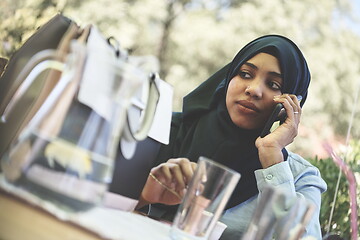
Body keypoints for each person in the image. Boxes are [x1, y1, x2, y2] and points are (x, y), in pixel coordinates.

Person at [136, 35, 327, 239]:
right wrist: (144, 195)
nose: (253, 90)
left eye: (273, 85)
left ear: (290, 105)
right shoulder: (163, 129)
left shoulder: (301, 178)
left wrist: (272, 160)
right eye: (245, 74)